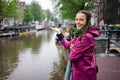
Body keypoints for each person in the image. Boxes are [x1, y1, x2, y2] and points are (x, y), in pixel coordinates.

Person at [50, 10, 100, 80]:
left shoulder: (86, 37)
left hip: (84, 75)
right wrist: (59, 33)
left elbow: (72, 57)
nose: (78, 22)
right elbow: (68, 45)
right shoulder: (80, 34)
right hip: (80, 72)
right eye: (76, 19)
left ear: (87, 22)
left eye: (81, 20)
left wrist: (72, 48)